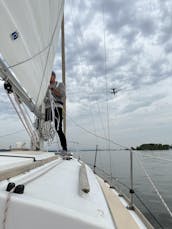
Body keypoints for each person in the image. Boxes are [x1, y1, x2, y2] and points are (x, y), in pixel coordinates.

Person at [48, 71, 67, 152]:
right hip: (47, 108)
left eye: (50, 75)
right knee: (41, 126)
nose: (49, 77)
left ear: (54, 76)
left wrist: (52, 89)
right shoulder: (44, 87)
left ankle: (64, 148)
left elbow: (62, 94)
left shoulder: (60, 84)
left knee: (58, 128)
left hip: (57, 107)